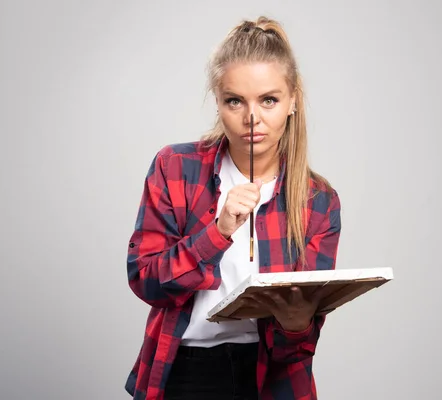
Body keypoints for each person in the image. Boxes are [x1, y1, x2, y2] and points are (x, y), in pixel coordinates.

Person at [124, 16, 341, 400]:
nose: (252, 118)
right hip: (186, 371)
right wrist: (217, 233)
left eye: (269, 100)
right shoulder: (175, 166)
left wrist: (296, 325)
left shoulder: (317, 201)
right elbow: (146, 281)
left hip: (270, 378)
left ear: (292, 101)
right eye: (235, 101)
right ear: (218, 101)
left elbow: (299, 350)